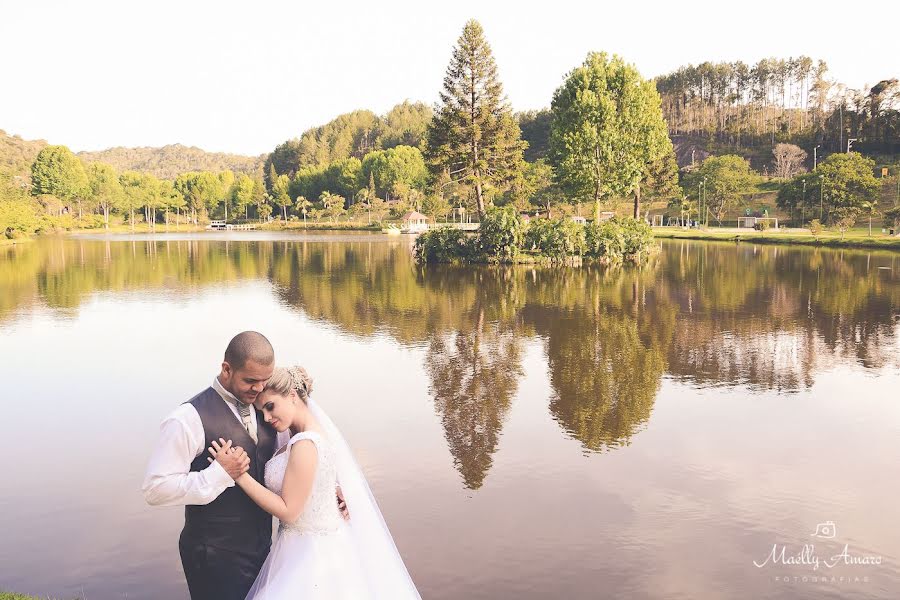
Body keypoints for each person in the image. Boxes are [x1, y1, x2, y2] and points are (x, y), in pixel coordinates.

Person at [141, 332, 347, 600]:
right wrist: (216, 475)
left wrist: (328, 484)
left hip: (268, 551)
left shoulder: (269, 409)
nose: (259, 388)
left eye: (264, 381)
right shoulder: (186, 419)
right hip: (213, 554)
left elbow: (302, 453)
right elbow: (155, 489)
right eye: (250, 381)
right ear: (226, 369)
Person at [208, 365, 420, 599]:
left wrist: (238, 475)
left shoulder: (305, 443)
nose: (267, 418)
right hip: (305, 547)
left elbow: (289, 512)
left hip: (311, 553)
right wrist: (334, 488)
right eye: (262, 411)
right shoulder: (297, 435)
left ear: (291, 395)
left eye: (270, 407)